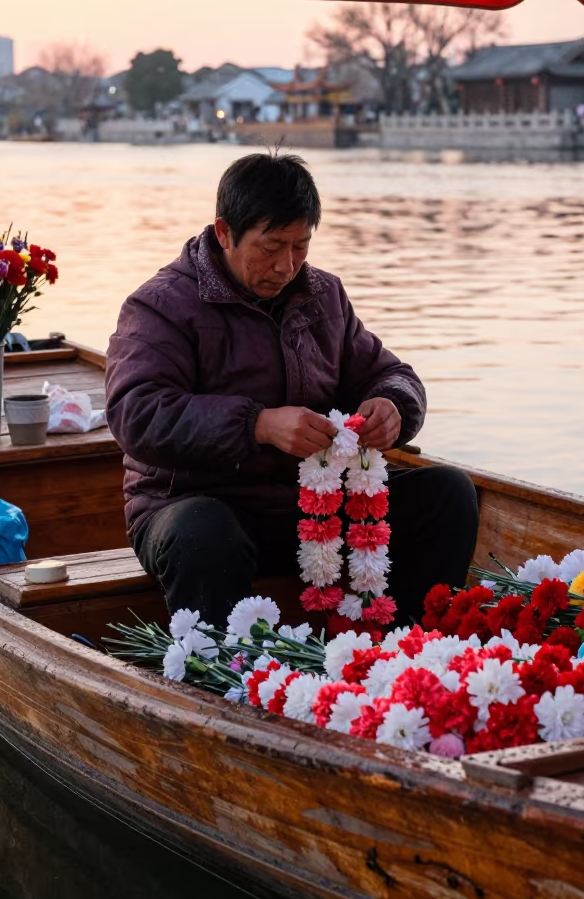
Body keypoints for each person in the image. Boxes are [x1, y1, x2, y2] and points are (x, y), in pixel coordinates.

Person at [106, 152, 478, 627]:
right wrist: (257, 425)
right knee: (203, 531)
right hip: (194, 509)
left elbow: (389, 373)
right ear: (224, 232)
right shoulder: (159, 306)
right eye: (271, 246)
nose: (286, 266)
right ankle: (227, 681)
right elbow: (136, 414)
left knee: (447, 492)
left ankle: (405, 651)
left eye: (300, 246)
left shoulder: (324, 297)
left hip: (312, 507)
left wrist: (393, 407)